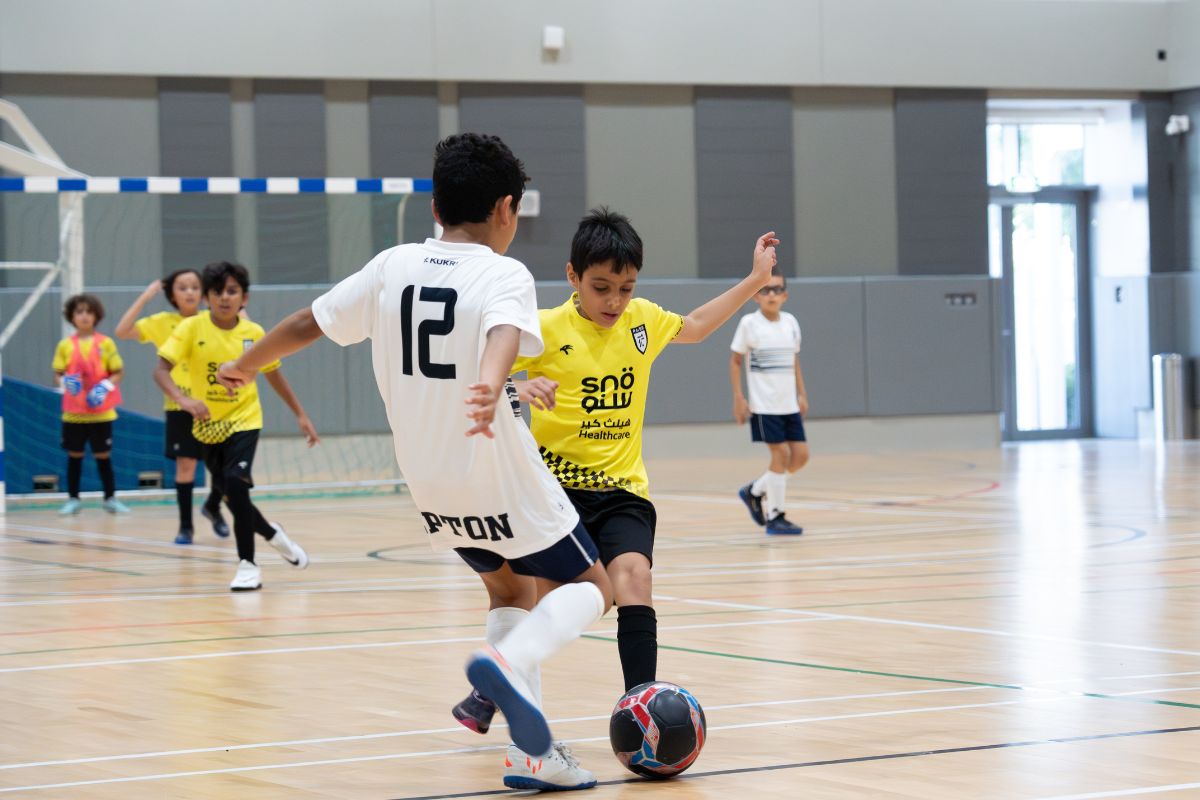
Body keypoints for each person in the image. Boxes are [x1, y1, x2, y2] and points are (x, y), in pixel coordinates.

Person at [216, 133, 613, 791]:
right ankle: (508, 664)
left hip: (429, 482)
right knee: (595, 587)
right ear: (507, 209)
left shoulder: (389, 265)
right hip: (496, 465)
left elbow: (308, 323)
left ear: (435, 204)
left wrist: (244, 364)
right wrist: (490, 384)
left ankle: (531, 756)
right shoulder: (503, 272)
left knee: (510, 590)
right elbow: (504, 333)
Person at [451, 208, 777, 738]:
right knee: (557, 599)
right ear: (573, 276)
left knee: (634, 578)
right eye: (601, 287)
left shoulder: (642, 320)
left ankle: (640, 711)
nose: (615, 301)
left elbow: (693, 328)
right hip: (554, 492)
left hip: (623, 491)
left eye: (625, 287)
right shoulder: (543, 328)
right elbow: (478, 383)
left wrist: (755, 280)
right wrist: (518, 388)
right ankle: (492, 689)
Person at [155, 261, 318, 591]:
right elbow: (160, 370)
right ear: (207, 298)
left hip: (245, 421)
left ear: (244, 297)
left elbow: (274, 375)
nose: (224, 298)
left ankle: (248, 565)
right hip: (206, 425)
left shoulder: (254, 333)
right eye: (217, 292)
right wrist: (184, 401)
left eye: (232, 291)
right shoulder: (191, 329)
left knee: (235, 484)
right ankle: (273, 534)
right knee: (232, 496)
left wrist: (300, 414)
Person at [115, 270, 231, 544]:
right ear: (172, 295)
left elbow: (246, 336)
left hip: (217, 404)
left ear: (204, 293)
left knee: (226, 466)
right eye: (182, 287)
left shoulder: (212, 320)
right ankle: (185, 527)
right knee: (186, 465)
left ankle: (213, 507)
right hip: (180, 405)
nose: (189, 292)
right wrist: (145, 296)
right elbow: (122, 331)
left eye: (194, 287)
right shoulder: (162, 322)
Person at [730, 267, 809, 535]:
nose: (771, 294)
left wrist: (802, 393)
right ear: (756, 296)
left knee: (800, 457)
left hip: (789, 404)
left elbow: (795, 361)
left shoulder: (791, 323)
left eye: (777, 289)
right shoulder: (749, 324)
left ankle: (755, 490)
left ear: (785, 295)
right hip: (764, 405)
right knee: (781, 454)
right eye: (766, 289)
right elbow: (735, 360)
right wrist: (739, 398)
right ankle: (776, 517)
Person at [52, 294, 130, 516]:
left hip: (101, 413)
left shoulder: (106, 343)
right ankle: (73, 500)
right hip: (74, 413)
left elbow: (118, 371)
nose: (84, 316)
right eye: (79, 312)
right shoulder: (65, 345)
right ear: (72, 317)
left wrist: (104, 386)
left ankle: (110, 498)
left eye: (88, 311)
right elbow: (57, 374)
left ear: (96, 315)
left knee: (103, 455)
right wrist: (66, 383)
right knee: (74, 456)